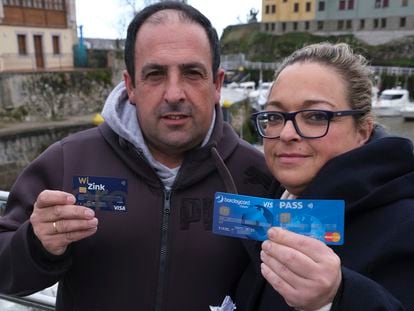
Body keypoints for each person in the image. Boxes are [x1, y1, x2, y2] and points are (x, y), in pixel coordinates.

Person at [0, 2, 272, 310]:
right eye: (155, 74)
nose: (173, 93)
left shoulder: (257, 176)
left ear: (217, 84)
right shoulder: (68, 162)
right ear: (130, 85)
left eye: (192, 73)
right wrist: (37, 245)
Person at [237, 42, 414, 310]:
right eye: (274, 116)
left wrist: (337, 297)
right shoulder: (264, 202)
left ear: (363, 131)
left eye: (316, 116)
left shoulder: (405, 225)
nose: (286, 133)